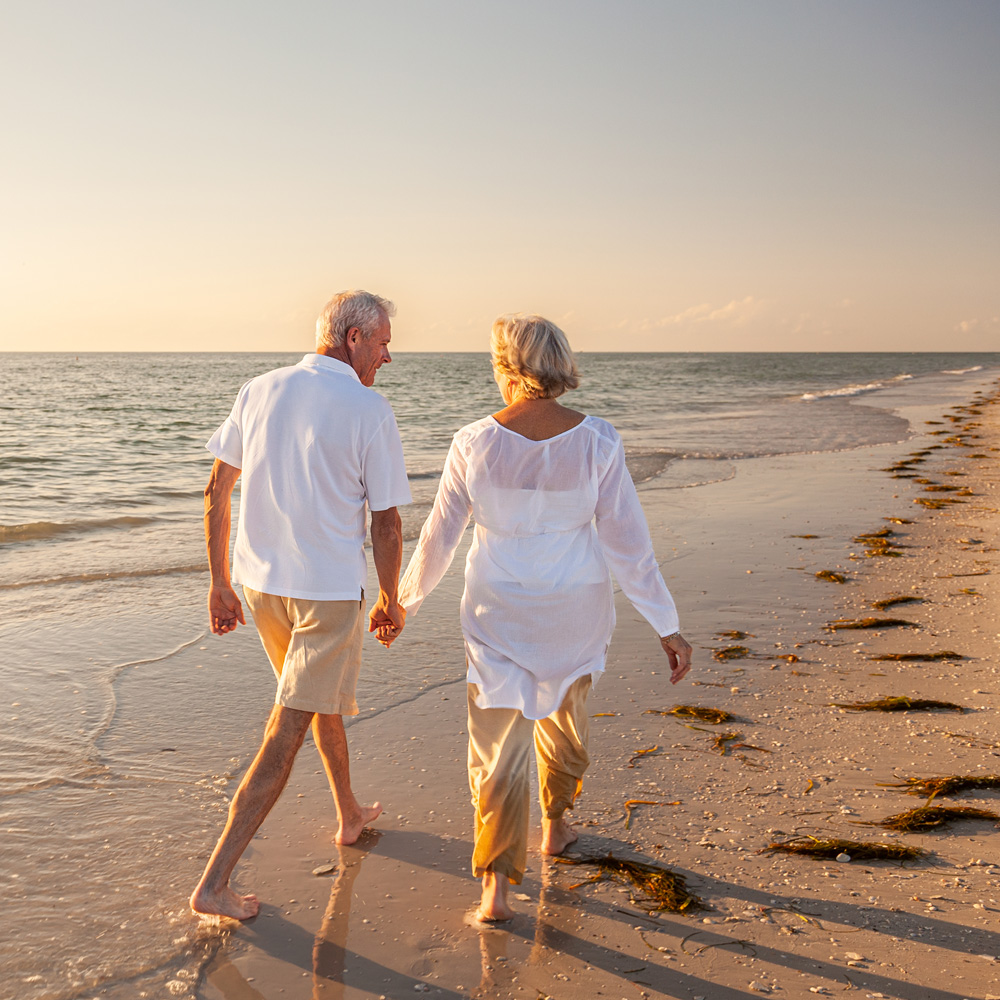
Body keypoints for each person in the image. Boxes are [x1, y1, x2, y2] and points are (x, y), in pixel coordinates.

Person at [391, 314, 692, 922]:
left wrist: (403, 603)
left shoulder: (473, 440)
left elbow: (439, 540)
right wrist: (667, 624)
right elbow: (628, 545)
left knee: (497, 750)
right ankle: (555, 828)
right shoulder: (600, 440)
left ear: (508, 368)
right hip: (575, 614)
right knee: (565, 726)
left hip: (497, 612)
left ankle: (496, 890)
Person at [189, 290, 411, 920]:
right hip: (327, 596)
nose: (389, 356)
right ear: (353, 339)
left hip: (260, 588)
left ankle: (347, 812)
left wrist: (220, 583)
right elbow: (387, 522)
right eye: (384, 341)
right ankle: (215, 882)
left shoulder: (258, 389)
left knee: (315, 700)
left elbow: (215, 492)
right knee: (288, 726)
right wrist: (392, 598)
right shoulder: (369, 409)